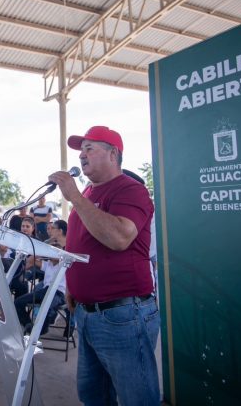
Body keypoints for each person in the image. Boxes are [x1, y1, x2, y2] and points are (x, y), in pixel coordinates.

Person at [48, 125, 158, 405]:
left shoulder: (131, 190)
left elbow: (119, 237)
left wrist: (74, 197)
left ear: (113, 153)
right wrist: (75, 286)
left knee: (137, 398)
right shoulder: (87, 194)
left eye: (89, 148)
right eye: (80, 149)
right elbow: (81, 244)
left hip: (122, 314)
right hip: (86, 312)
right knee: (94, 396)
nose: (81, 155)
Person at [15, 241, 67, 335]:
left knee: (48, 305)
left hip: (58, 293)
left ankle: (42, 329)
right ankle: (28, 324)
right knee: (18, 302)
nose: (53, 255)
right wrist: (43, 251)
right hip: (45, 291)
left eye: (56, 252)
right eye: (51, 252)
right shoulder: (48, 264)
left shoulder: (65, 264)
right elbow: (30, 261)